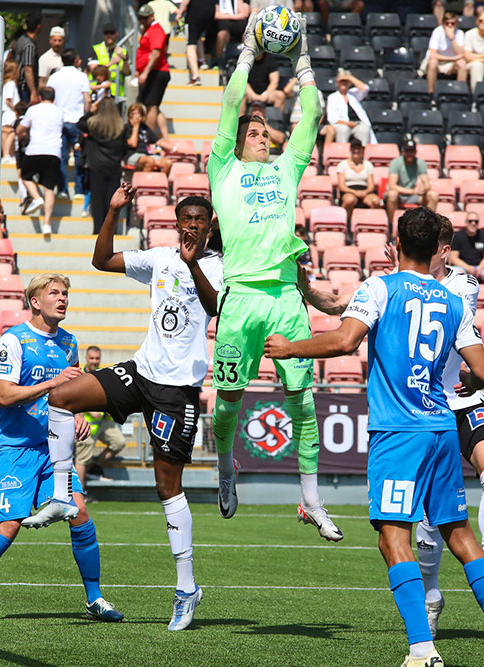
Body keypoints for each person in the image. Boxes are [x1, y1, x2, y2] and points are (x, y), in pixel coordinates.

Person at [263, 207, 484, 667]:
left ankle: (422, 649)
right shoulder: (453, 300)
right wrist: (470, 383)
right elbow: (483, 371)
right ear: (436, 248)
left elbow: (345, 341)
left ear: (397, 243)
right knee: (461, 535)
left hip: (399, 432)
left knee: (393, 539)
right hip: (442, 428)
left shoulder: (380, 287)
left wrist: (290, 348)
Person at [25, 183, 224, 632]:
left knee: (167, 487)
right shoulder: (159, 258)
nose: (192, 225)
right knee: (62, 396)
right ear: (177, 223)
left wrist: (193, 264)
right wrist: (113, 211)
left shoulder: (219, 266)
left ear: (209, 227)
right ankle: (61, 494)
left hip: (177, 389)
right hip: (142, 371)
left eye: (199, 220)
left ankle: (186, 588)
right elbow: (102, 260)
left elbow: (215, 307)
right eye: (186, 219)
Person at [207, 13, 343, 540]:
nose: (263, 137)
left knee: (302, 401)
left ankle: (311, 500)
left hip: (286, 297)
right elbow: (230, 106)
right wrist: (247, 51)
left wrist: (302, 56)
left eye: (266, 132)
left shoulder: (286, 170)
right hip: (240, 298)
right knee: (228, 404)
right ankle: (226, 466)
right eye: (255, 132)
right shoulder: (223, 169)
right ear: (238, 142)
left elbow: (313, 113)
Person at [0, 273, 123, 625]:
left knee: (79, 511)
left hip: (52, 449)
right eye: (54, 293)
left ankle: (95, 598)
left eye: (65, 293)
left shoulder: (69, 342)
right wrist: (51, 382)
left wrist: (78, 414)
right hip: (13, 449)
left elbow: (71, 390)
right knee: (9, 526)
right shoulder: (14, 340)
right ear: (35, 302)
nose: (63, 298)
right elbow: (5, 395)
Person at [411, 214, 484, 638]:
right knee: (429, 512)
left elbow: (451, 327)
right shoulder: (402, 281)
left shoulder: (464, 284)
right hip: (425, 405)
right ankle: (432, 595)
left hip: (464, 396)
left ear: (444, 250)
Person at [74, 346, 127, 490]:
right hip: (85, 423)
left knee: (119, 442)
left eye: (97, 358)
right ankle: (80, 494)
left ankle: (94, 468)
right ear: (86, 358)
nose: (94, 361)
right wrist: (91, 409)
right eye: (92, 358)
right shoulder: (79, 375)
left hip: (102, 421)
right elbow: (74, 398)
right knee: (82, 459)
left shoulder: (103, 374)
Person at [16, 87, 62, 236]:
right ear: (54, 98)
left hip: (35, 150)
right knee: (49, 188)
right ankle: (47, 224)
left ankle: (36, 198)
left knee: (25, 176)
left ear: (40, 98)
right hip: (54, 152)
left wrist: (20, 137)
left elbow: (20, 129)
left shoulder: (33, 110)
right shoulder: (59, 111)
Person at [47, 48, 90, 201]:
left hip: (59, 120)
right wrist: (86, 116)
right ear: (76, 60)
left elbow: (49, 97)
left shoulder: (54, 77)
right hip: (77, 120)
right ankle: (79, 190)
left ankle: (63, 189)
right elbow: (87, 99)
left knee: (62, 156)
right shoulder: (82, 76)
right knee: (79, 156)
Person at [79, 98, 128, 234]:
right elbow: (124, 148)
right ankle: (111, 231)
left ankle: (98, 230)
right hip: (114, 167)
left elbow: (80, 124)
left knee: (97, 200)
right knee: (112, 202)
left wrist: (90, 111)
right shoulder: (120, 127)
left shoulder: (93, 124)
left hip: (96, 167)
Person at [137, 5, 172, 139]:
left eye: (145, 18)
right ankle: (165, 137)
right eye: (141, 18)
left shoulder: (156, 30)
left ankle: (148, 139)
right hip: (152, 72)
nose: (142, 21)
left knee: (151, 106)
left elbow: (156, 53)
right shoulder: (148, 30)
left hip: (157, 72)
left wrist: (145, 72)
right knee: (152, 105)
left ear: (152, 16)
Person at [384, 139, 439, 222]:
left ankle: (428, 224)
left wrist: (423, 189)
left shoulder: (420, 163)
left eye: (412, 151)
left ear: (415, 152)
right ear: (403, 152)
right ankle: (391, 224)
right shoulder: (396, 162)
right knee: (392, 195)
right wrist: (412, 191)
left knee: (433, 195)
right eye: (407, 151)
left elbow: (427, 183)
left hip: (412, 196)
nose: (410, 154)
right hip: (398, 195)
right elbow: (392, 186)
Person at [421, 11, 467, 94]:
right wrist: (452, 58)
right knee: (433, 62)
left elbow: (460, 54)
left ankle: (460, 93)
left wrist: (452, 38)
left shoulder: (460, 33)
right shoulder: (437, 31)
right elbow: (433, 54)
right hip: (439, 62)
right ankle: (430, 93)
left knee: (462, 64)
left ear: (456, 24)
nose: (450, 25)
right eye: (447, 23)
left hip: (451, 64)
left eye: (452, 23)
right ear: (443, 23)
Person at [336, 138, 382, 222]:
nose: (356, 150)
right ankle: (344, 222)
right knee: (350, 200)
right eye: (354, 148)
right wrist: (355, 192)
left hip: (364, 191)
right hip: (349, 190)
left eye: (358, 148)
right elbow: (342, 186)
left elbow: (371, 185)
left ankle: (370, 222)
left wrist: (365, 192)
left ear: (362, 150)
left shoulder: (368, 165)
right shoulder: (342, 165)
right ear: (350, 149)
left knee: (375, 201)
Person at [325, 69, 374, 144]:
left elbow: (365, 88)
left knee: (364, 129)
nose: (343, 83)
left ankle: (363, 150)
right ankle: (341, 150)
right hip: (342, 124)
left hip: (357, 123)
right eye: (341, 81)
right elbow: (332, 118)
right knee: (343, 130)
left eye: (346, 81)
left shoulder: (353, 94)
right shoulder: (332, 97)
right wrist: (348, 123)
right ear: (337, 82)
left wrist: (349, 77)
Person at [125, 103, 175, 174]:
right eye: (132, 114)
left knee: (168, 163)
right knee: (149, 161)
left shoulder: (145, 128)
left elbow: (158, 141)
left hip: (147, 155)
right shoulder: (126, 128)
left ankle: (159, 180)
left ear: (141, 117)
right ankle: (143, 181)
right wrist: (136, 127)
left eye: (137, 114)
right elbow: (133, 144)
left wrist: (175, 149)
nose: (135, 117)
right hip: (133, 155)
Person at [176, 0, 217, 85]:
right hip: (210, 12)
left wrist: (180, 12)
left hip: (195, 13)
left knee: (190, 45)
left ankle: (195, 76)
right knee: (197, 36)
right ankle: (202, 61)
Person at [89, 23, 130, 99]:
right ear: (103, 35)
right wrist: (112, 63)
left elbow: (127, 72)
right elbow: (94, 70)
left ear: (116, 34)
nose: (109, 35)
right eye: (106, 33)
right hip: (99, 92)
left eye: (112, 33)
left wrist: (124, 59)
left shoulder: (123, 51)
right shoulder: (96, 49)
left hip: (116, 94)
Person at [451, 212, 484, 282]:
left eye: (476, 221)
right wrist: (468, 268)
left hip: (480, 266)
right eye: (470, 221)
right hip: (462, 266)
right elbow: (453, 258)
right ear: (465, 222)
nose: (473, 223)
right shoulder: (457, 236)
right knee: (458, 274)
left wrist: (480, 268)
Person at [15, 11, 41, 104]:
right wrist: (33, 92)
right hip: (25, 87)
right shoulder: (29, 45)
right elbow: (28, 69)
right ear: (38, 27)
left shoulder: (21, 39)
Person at [215, 0, 251, 65]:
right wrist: (235, 16)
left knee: (247, 34)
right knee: (222, 34)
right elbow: (216, 14)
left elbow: (244, 14)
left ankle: (245, 59)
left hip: (239, 24)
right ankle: (219, 60)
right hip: (224, 24)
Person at [1, 60, 20, 163]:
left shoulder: (5, 84)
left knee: (5, 133)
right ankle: (7, 154)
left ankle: (7, 154)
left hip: (5, 112)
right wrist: (16, 110)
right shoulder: (11, 84)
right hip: (10, 112)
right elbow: (8, 100)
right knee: (11, 132)